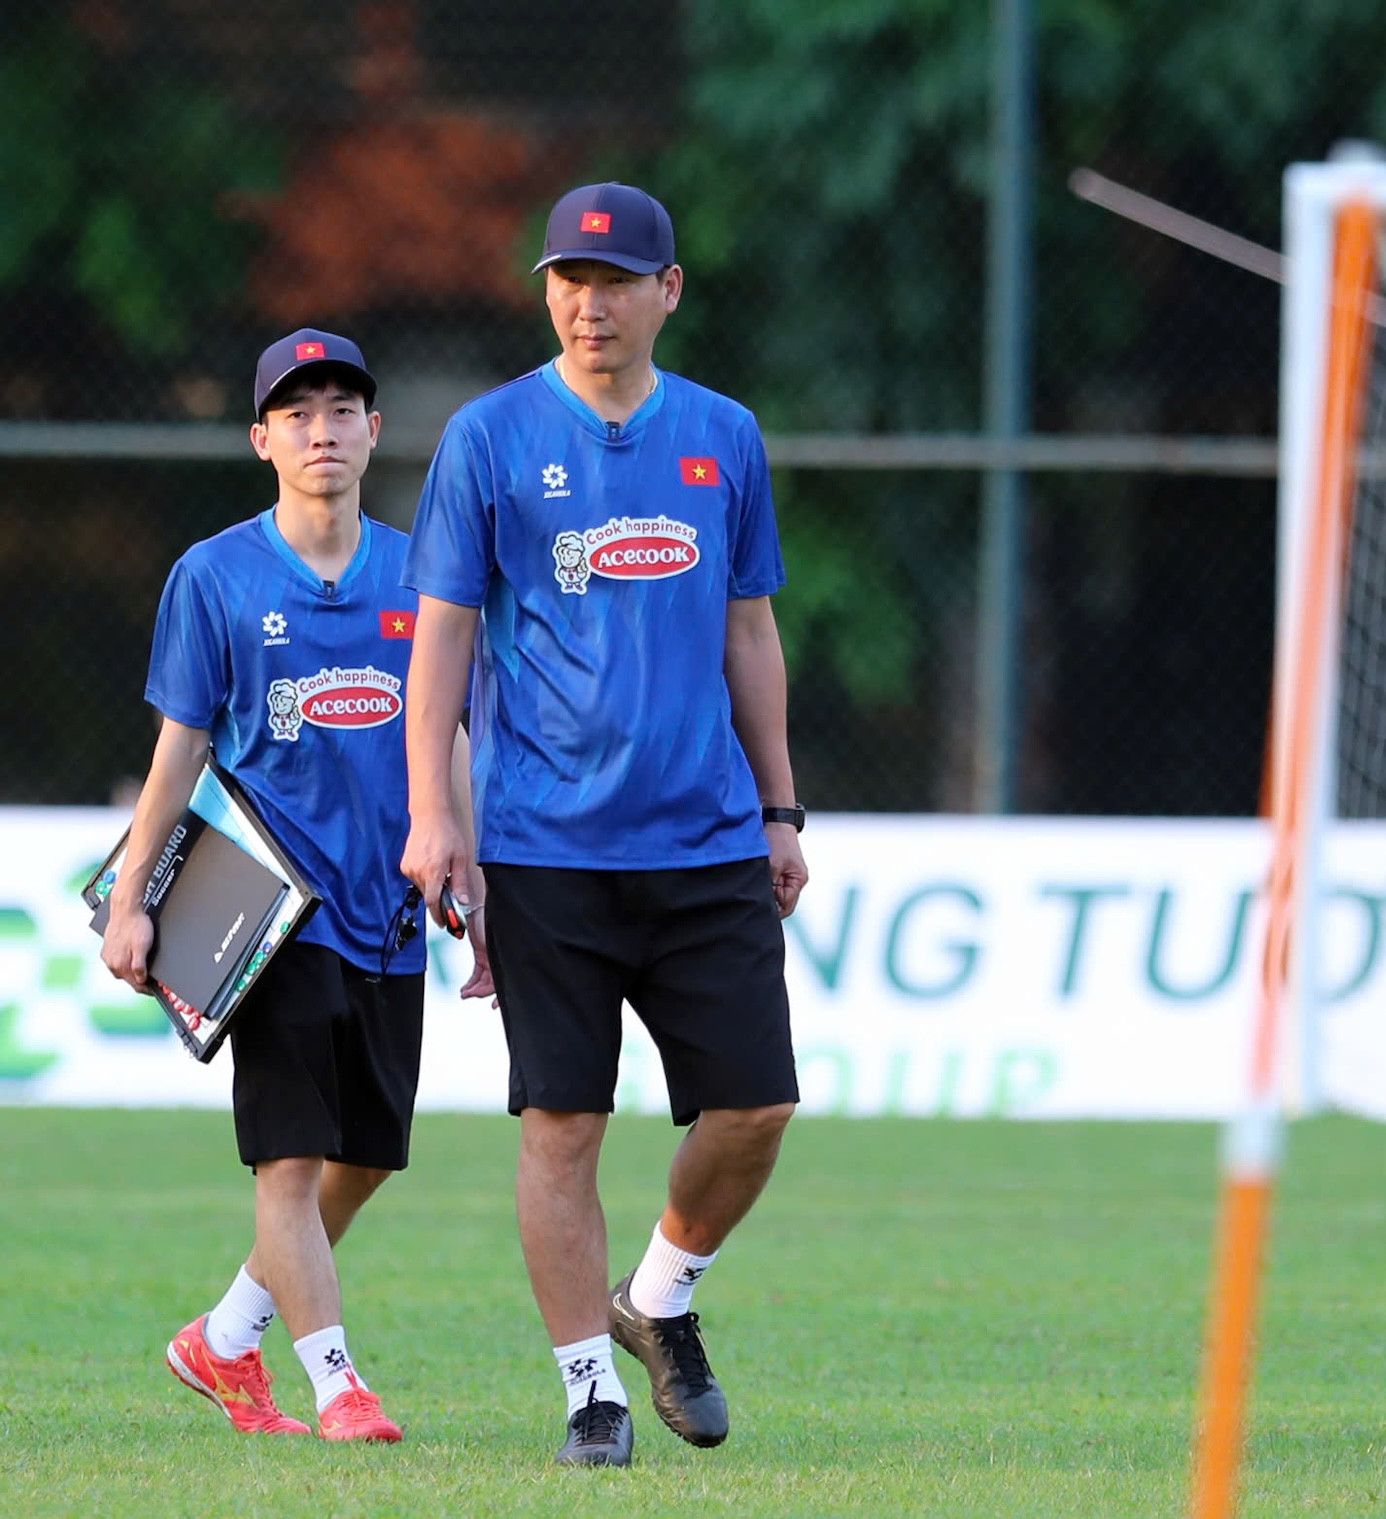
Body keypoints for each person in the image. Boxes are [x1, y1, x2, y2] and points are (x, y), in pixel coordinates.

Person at [400, 181, 807, 1468]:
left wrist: (782, 804)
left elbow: (751, 628)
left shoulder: (725, 437)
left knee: (755, 1109)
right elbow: (444, 645)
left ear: (667, 293)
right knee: (561, 1125)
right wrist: (432, 816)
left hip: (707, 839)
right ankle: (592, 1390)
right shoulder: (488, 436)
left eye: (620, 279)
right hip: (542, 844)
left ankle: (662, 1298)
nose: (593, 302)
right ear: (548, 291)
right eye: (572, 279)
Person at [103, 330, 489, 1443]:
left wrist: (473, 861)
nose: (323, 429)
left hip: (389, 913)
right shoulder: (214, 575)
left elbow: (451, 739)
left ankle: (224, 1338)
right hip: (268, 915)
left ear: (373, 431)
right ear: (263, 438)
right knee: (290, 1156)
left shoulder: (425, 576)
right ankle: (336, 1383)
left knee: (365, 1158)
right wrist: (132, 898)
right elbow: (177, 752)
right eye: (299, 411)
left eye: (343, 409)